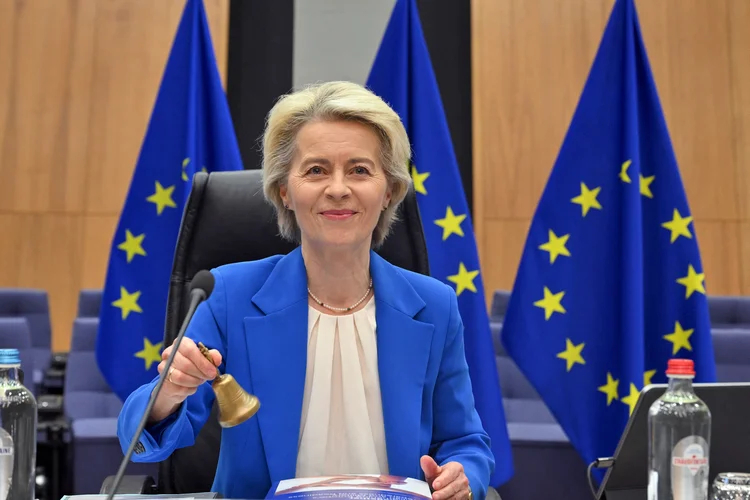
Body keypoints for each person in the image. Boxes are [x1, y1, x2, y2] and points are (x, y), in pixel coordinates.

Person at [117, 81, 495, 500]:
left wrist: (464, 477)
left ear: (388, 191)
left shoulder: (434, 306)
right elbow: (143, 438)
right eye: (316, 170)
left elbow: (467, 442)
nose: (337, 188)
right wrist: (169, 391)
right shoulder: (228, 294)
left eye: (359, 170)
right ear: (285, 191)